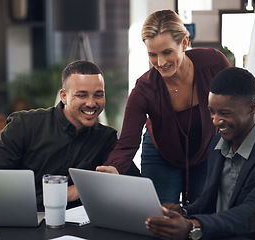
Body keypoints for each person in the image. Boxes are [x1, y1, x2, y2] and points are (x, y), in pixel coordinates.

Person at [145, 67, 255, 240]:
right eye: (212, 111)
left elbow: (253, 213)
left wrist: (194, 226)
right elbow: (209, 201)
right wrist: (184, 212)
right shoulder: (217, 145)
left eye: (225, 113)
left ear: (252, 107)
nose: (216, 121)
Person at [99, 9, 231, 205]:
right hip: (161, 153)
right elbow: (127, 142)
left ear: (184, 43)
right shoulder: (144, 89)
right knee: (160, 219)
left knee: (201, 216)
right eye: (153, 54)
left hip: (205, 151)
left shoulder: (214, 63)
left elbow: (236, 106)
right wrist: (114, 168)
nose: (160, 62)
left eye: (167, 52)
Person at [0, 60, 139, 209]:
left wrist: (106, 181)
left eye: (98, 95)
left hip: (77, 229)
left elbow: (137, 185)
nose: (91, 103)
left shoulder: (106, 138)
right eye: (82, 95)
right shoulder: (24, 125)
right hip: (21, 217)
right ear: (63, 96)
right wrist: (61, 193)